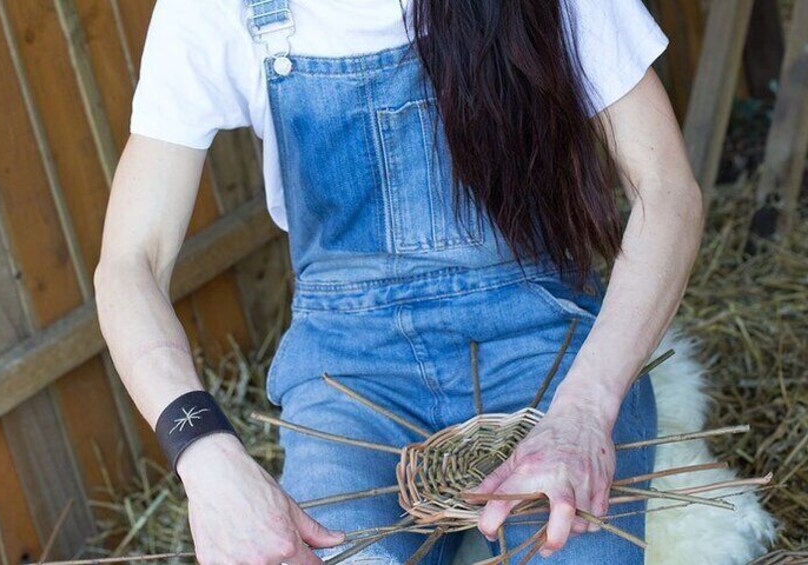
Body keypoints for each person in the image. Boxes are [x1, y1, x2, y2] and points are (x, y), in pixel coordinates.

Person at [94, 0, 704, 563]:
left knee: (570, 547)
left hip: (543, 347)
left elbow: (668, 193)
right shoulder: (217, 9)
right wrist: (205, 456)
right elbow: (130, 262)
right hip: (351, 374)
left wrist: (587, 407)